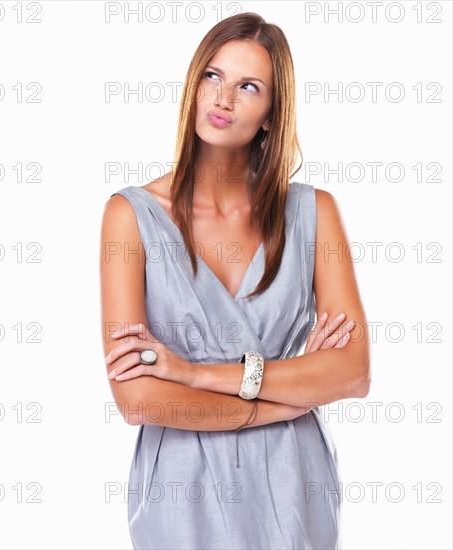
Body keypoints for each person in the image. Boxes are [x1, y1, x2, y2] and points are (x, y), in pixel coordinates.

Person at [100, 12, 370, 550]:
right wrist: (293, 396)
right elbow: (139, 400)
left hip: (294, 482)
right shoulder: (130, 216)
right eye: (212, 76)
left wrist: (195, 375)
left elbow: (352, 372)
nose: (223, 99)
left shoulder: (314, 213)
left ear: (272, 114)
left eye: (248, 87)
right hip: (181, 487)